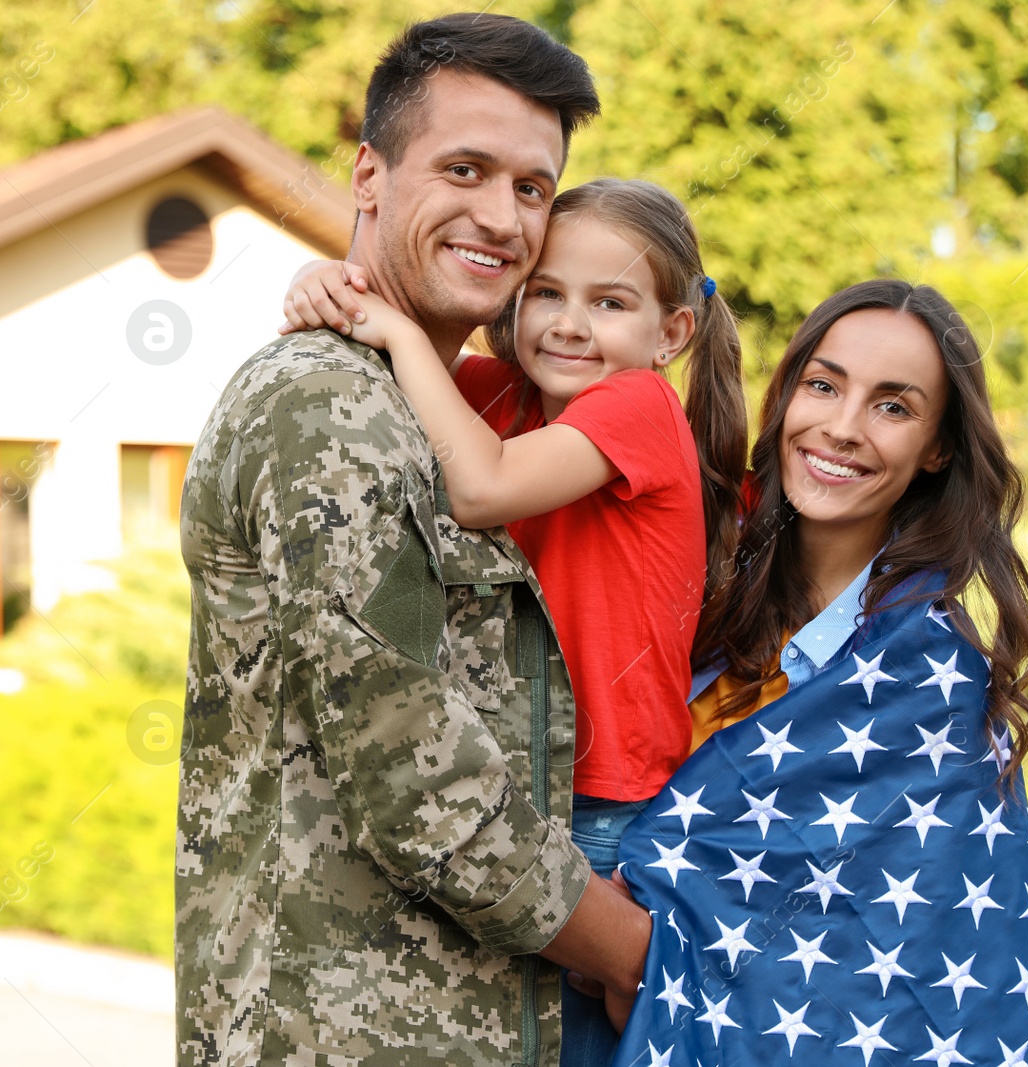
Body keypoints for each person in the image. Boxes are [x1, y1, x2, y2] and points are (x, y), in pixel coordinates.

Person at [176, 15, 654, 1067]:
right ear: (368, 175)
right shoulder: (328, 410)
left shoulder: (438, 405)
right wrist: (629, 947)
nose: (501, 216)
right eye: (465, 169)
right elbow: (417, 772)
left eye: (531, 187)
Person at [278, 177, 746, 1065]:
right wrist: (322, 278)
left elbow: (482, 484)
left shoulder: (639, 408)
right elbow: (371, 332)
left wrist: (403, 334)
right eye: (546, 293)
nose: (570, 324)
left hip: (599, 800)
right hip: (511, 787)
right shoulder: (503, 394)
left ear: (671, 332)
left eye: (610, 302)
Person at [609, 280, 1028, 1066]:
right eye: (824, 385)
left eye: (893, 406)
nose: (842, 428)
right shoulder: (693, 563)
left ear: (938, 447)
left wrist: (585, 925)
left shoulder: (927, 685)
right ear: (787, 395)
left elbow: (853, 988)